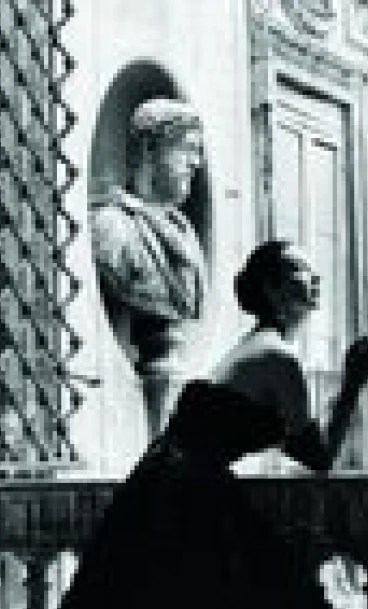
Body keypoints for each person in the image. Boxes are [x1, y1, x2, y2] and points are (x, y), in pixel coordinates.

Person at [9, 240, 368, 609]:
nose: (315, 278)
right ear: (273, 289)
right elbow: (318, 457)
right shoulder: (278, 358)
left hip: (164, 489)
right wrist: (355, 378)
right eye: (301, 270)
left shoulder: (259, 347)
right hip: (186, 499)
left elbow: (302, 447)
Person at [91, 97, 207, 435]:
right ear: (149, 149)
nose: (196, 163)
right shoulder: (111, 228)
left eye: (199, 152)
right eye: (187, 149)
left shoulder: (186, 236)